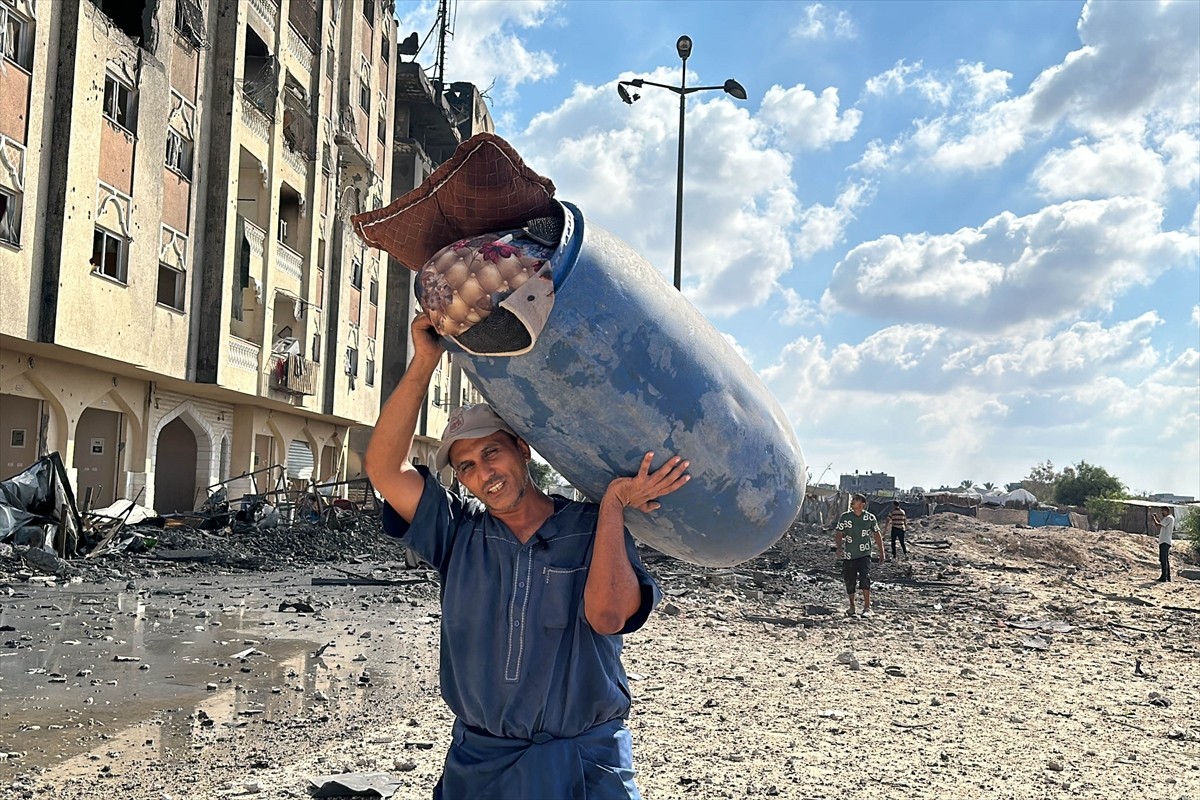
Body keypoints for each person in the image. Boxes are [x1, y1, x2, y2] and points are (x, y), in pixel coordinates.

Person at [364, 313, 690, 799]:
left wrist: (615, 505)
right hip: (482, 766)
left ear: (521, 449)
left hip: (586, 763)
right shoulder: (456, 534)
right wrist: (425, 361)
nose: (484, 473)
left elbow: (608, 616)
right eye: (467, 467)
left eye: (492, 453)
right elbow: (385, 468)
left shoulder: (590, 525)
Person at [835, 493, 885, 617]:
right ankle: (852, 607)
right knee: (850, 580)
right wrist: (839, 547)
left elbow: (877, 534)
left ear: (863, 504)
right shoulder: (845, 517)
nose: (852, 502)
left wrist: (882, 551)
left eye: (855, 500)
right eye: (852, 500)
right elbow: (839, 532)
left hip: (865, 553)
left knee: (865, 577)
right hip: (849, 554)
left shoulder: (870, 518)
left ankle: (867, 607)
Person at [1150, 506, 1175, 582]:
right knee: (1165, 560)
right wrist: (1157, 517)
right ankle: (1167, 577)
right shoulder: (1169, 519)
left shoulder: (1169, 518)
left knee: (1163, 560)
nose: (1162, 513)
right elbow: (1162, 524)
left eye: (1163, 511)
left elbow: (1158, 525)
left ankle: (1164, 577)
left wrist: (1153, 518)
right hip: (1165, 541)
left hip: (1165, 541)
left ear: (1167, 511)